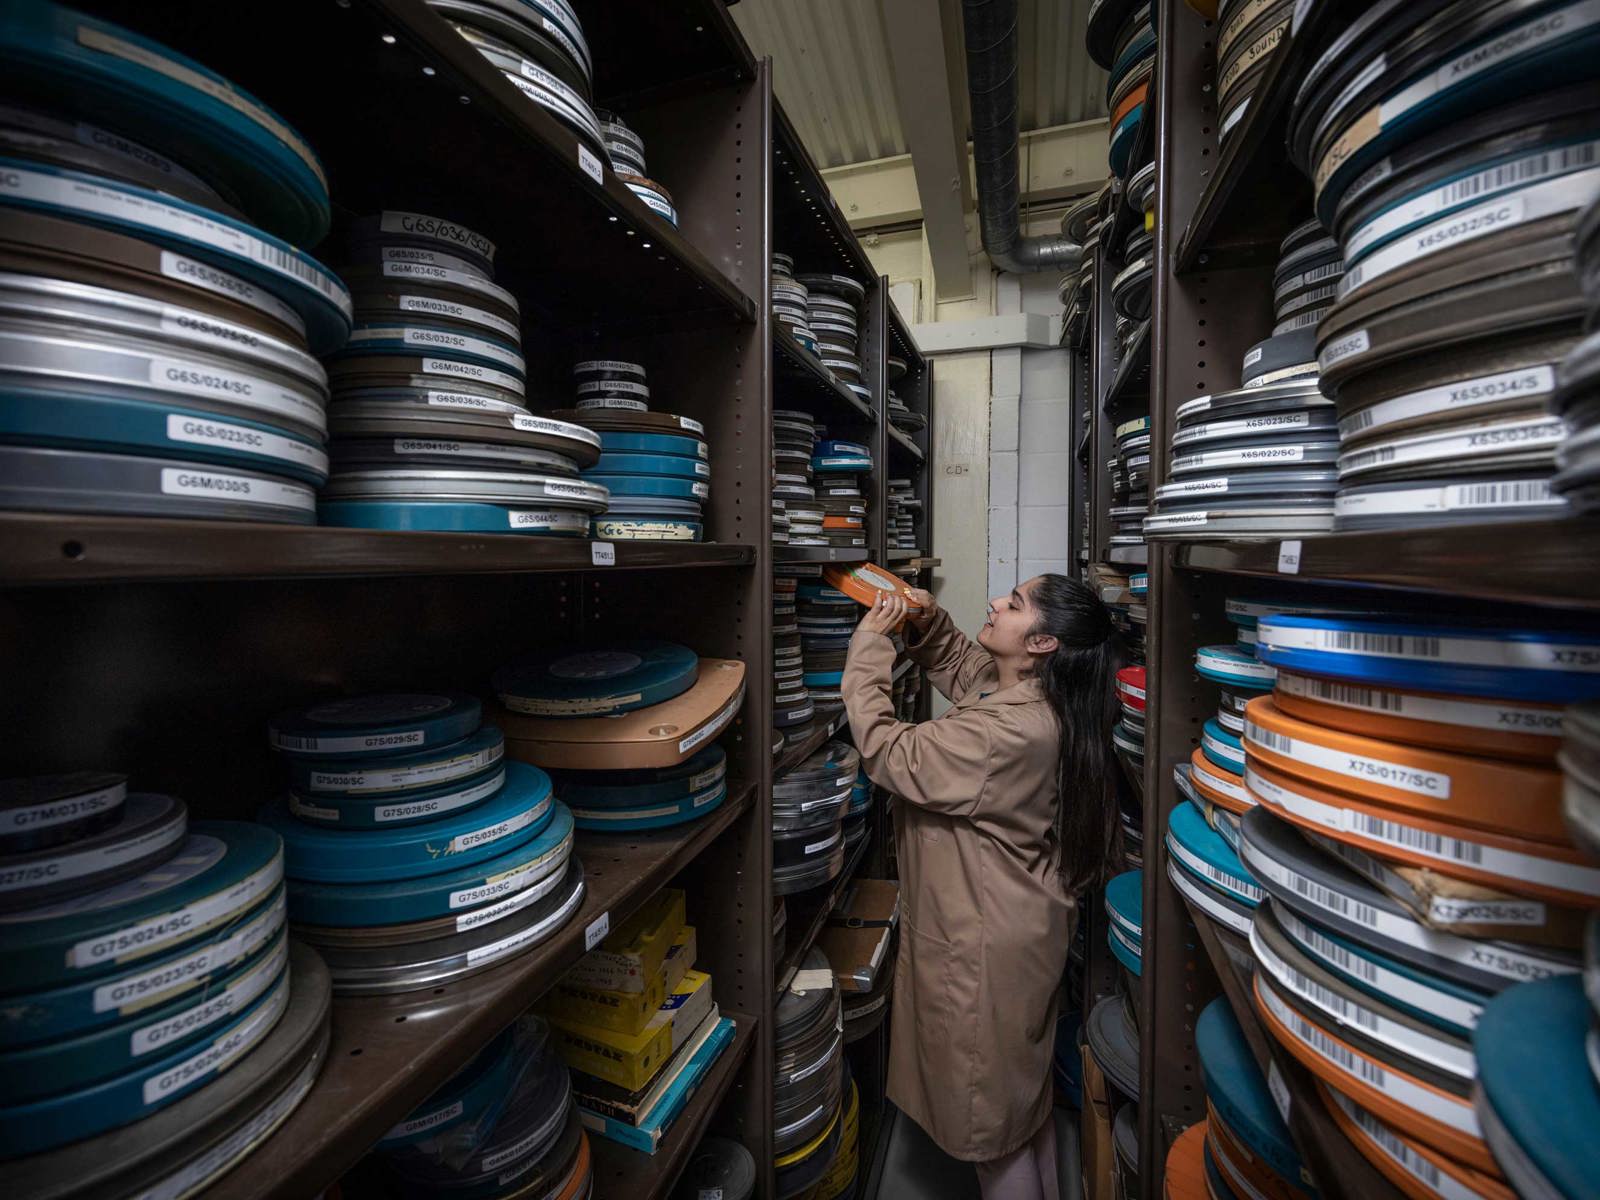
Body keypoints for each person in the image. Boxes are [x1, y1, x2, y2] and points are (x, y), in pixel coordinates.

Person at [841, 574, 1124, 1200]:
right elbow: (967, 669)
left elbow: (889, 751)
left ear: (1044, 642)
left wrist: (870, 647)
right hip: (1016, 934)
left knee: (989, 1139)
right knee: (1020, 1111)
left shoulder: (1007, 734)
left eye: (1016, 604)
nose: (996, 601)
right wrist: (922, 620)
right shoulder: (1040, 696)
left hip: (983, 949)